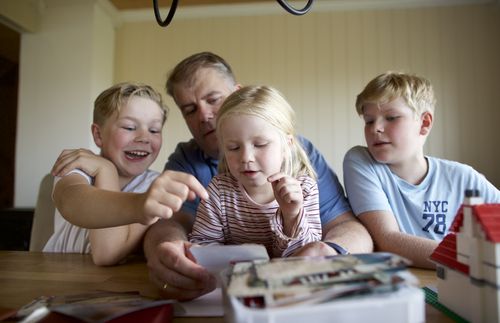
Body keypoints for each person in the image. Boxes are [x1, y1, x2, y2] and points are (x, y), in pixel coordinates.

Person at [143, 52, 373, 301]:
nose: (204, 116)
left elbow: (347, 227)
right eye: (189, 109)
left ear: (237, 95)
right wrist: (167, 250)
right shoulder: (190, 165)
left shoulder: (299, 161)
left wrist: (326, 250)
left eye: (214, 99)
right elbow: (170, 225)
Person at [343, 71, 500, 269]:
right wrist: (475, 260)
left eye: (391, 117)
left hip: (457, 282)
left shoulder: (463, 176)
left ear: (424, 123)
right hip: (406, 283)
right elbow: (388, 240)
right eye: (369, 121)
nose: (376, 128)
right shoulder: (361, 162)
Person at [43, 82, 208, 266]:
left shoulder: (154, 188)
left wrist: (106, 172)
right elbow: (70, 201)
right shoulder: (78, 166)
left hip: (115, 284)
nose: (144, 138)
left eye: (154, 130)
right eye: (129, 127)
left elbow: (106, 252)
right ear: (98, 135)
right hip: (55, 276)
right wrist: (107, 170)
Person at [190, 85, 322, 257]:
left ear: (286, 145)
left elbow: (309, 254)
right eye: (233, 147)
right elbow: (202, 245)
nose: (246, 157)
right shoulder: (219, 191)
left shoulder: (304, 189)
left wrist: (292, 215)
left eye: (260, 145)